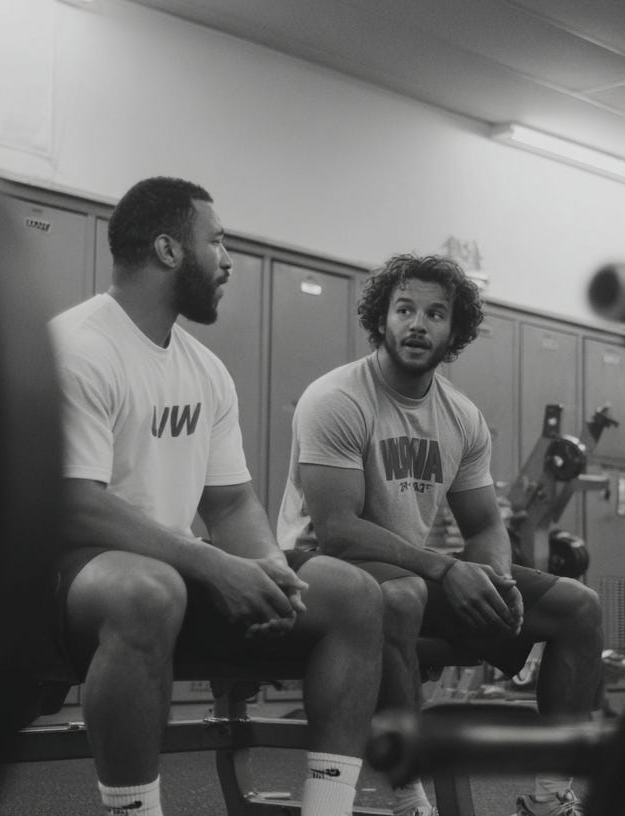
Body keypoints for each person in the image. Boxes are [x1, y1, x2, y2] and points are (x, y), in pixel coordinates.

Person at [49, 177, 382, 816]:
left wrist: (270, 572)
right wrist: (209, 563)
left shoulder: (204, 368)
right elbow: (74, 504)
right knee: (149, 589)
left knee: (352, 597)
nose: (228, 260)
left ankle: (328, 809)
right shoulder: (80, 349)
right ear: (170, 250)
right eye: (218, 241)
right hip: (64, 570)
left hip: (171, 565)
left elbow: (229, 503)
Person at [277, 254, 605, 816]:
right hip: (322, 572)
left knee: (578, 607)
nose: (417, 324)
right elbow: (335, 532)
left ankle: (553, 798)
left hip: (411, 570)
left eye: (435, 314)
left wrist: (495, 580)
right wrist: (446, 569)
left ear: (455, 332)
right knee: (401, 597)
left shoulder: (461, 417)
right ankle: (410, 799)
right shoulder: (337, 399)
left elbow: (483, 525)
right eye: (404, 309)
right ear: (383, 318)